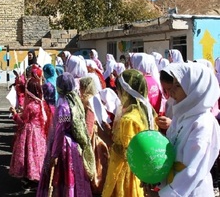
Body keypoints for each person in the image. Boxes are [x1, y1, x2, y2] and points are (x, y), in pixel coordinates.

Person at [144, 62, 220, 197]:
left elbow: (193, 169)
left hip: (192, 192)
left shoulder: (203, 123)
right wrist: (156, 178)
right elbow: (170, 152)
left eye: (178, 86)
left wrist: (165, 194)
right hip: (173, 185)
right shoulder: (181, 116)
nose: (171, 91)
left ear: (196, 89)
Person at [36, 72, 94, 197]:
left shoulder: (63, 105)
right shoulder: (75, 101)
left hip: (64, 146)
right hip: (73, 145)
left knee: (61, 177)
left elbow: (60, 130)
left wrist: (54, 154)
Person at [102, 69, 157, 197]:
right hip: (139, 172)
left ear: (126, 92)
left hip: (126, 174)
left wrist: (104, 136)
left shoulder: (128, 119)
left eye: (119, 90)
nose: (118, 94)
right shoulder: (146, 112)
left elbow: (126, 154)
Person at [9, 77, 47, 191]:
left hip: (29, 133)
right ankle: (36, 177)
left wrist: (15, 114)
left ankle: (29, 179)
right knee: (36, 155)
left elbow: (22, 123)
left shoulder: (30, 105)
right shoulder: (40, 102)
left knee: (27, 155)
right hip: (38, 132)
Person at [79, 76, 109, 195]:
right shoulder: (95, 99)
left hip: (93, 137)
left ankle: (95, 187)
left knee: (95, 163)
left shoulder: (88, 101)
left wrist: (84, 140)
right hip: (98, 134)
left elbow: (89, 124)